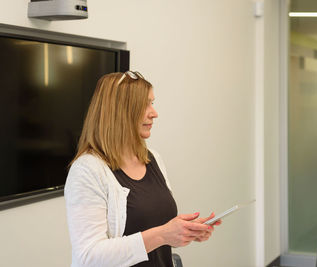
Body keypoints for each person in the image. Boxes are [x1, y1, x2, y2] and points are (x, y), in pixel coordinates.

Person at [64, 71, 220, 267]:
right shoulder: (87, 171)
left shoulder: (153, 159)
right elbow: (89, 257)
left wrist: (183, 232)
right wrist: (163, 234)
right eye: (144, 105)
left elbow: (155, 235)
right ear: (119, 111)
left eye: (152, 103)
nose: (154, 113)